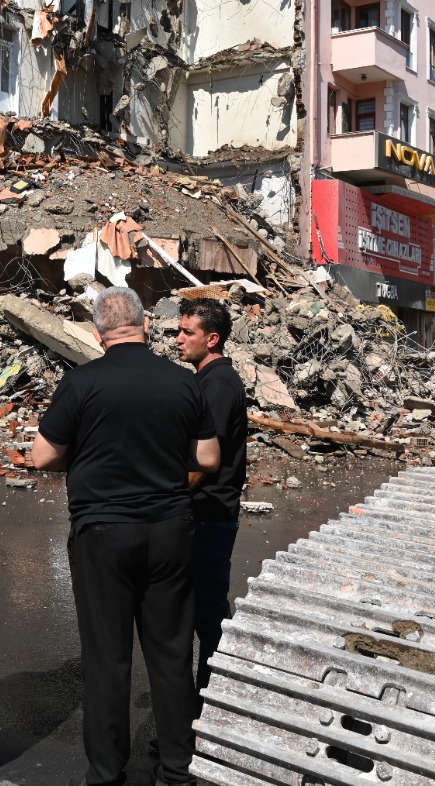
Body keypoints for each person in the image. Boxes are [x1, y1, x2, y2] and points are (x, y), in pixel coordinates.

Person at [30, 287, 219, 786]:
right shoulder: (184, 383)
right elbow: (208, 459)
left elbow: (42, 457)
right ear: (147, 326)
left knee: (107, 659)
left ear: (98, 333)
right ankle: (178, 769)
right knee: (173, 655)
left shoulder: (82, 383)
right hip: (170, 531)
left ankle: (107, 772)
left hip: (102, 536)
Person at [174, 298, 248, 699]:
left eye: (188, 332)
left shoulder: (218, 383)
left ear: (213, 339)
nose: (178, 339)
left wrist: (171, 493)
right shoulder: (207, 379)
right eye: (179, 330)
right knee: (200, 611)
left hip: (209, 513)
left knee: (207, 615)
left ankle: (211, 702)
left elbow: (207, 457)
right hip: (206, 511)